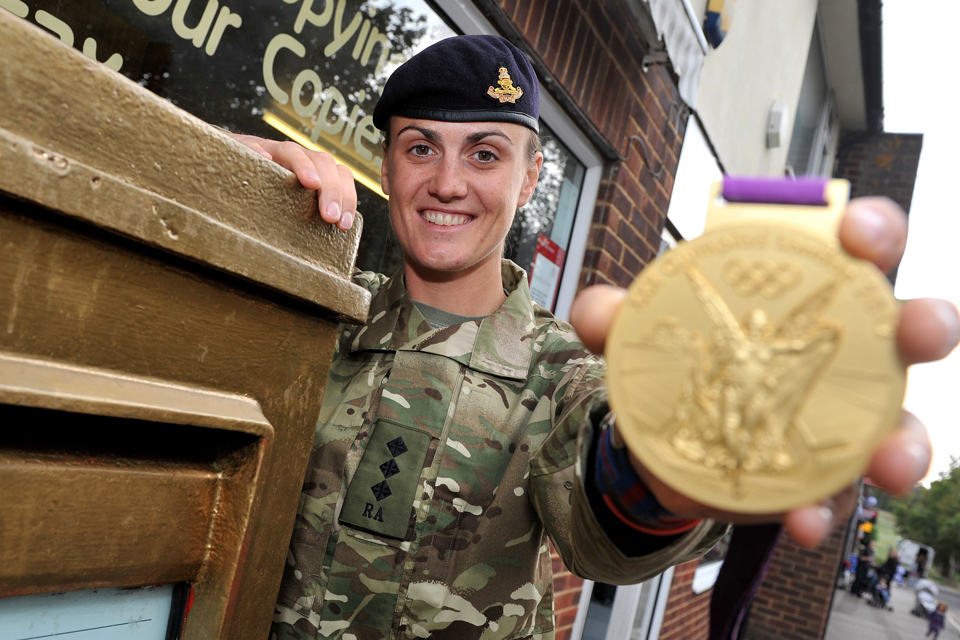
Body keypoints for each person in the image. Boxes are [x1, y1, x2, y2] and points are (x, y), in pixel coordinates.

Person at [228, 34, 959, 640]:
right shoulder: (317, 330)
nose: (448, 182)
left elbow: (604, 495)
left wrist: (674, 455)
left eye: (485, 154)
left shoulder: (564, 372)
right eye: (421, 148)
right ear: (386, 161)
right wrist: (219, 175)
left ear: (530, 176)